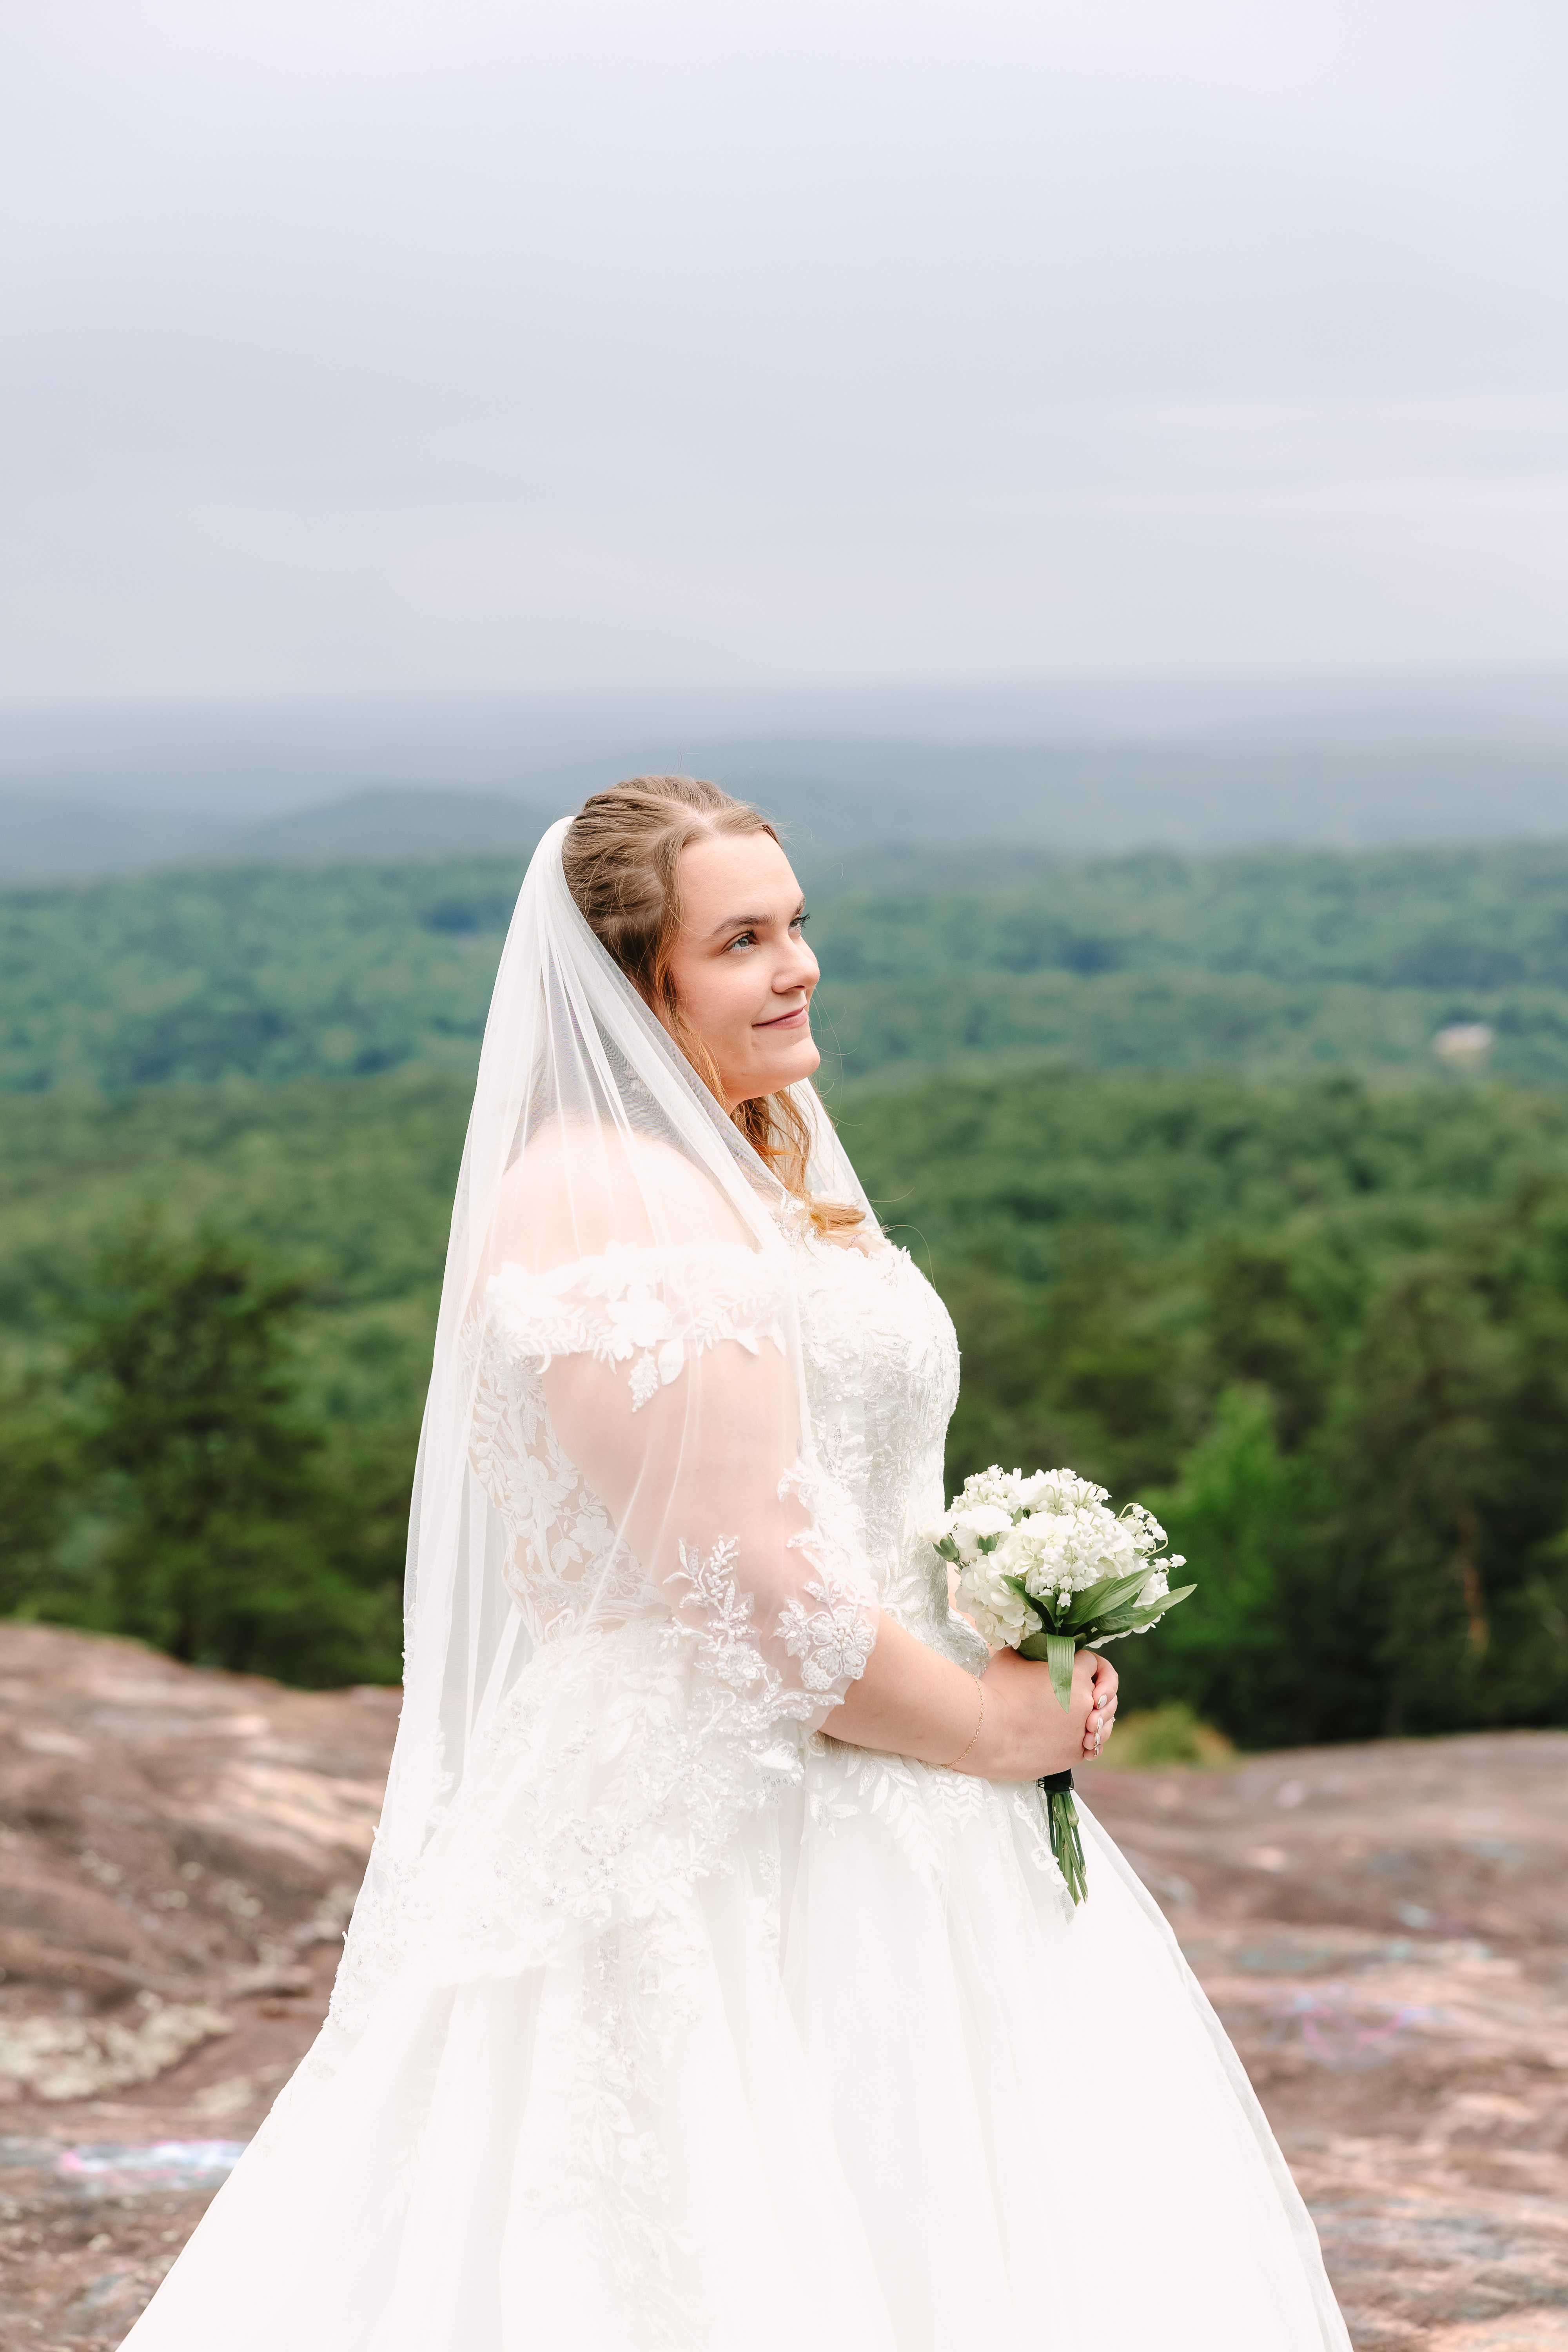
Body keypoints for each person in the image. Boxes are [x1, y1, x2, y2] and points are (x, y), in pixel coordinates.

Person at [121, 776, 1351, 2352]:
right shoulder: (612, 1194)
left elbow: (828, 1496)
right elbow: (749, 1583)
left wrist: (992, 1601)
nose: (798, 965)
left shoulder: (744, 1156)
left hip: (880, 1775)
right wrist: (987, 1726)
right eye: (743, 940)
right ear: (643, 984)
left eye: (799, 925)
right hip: (719, 1815)